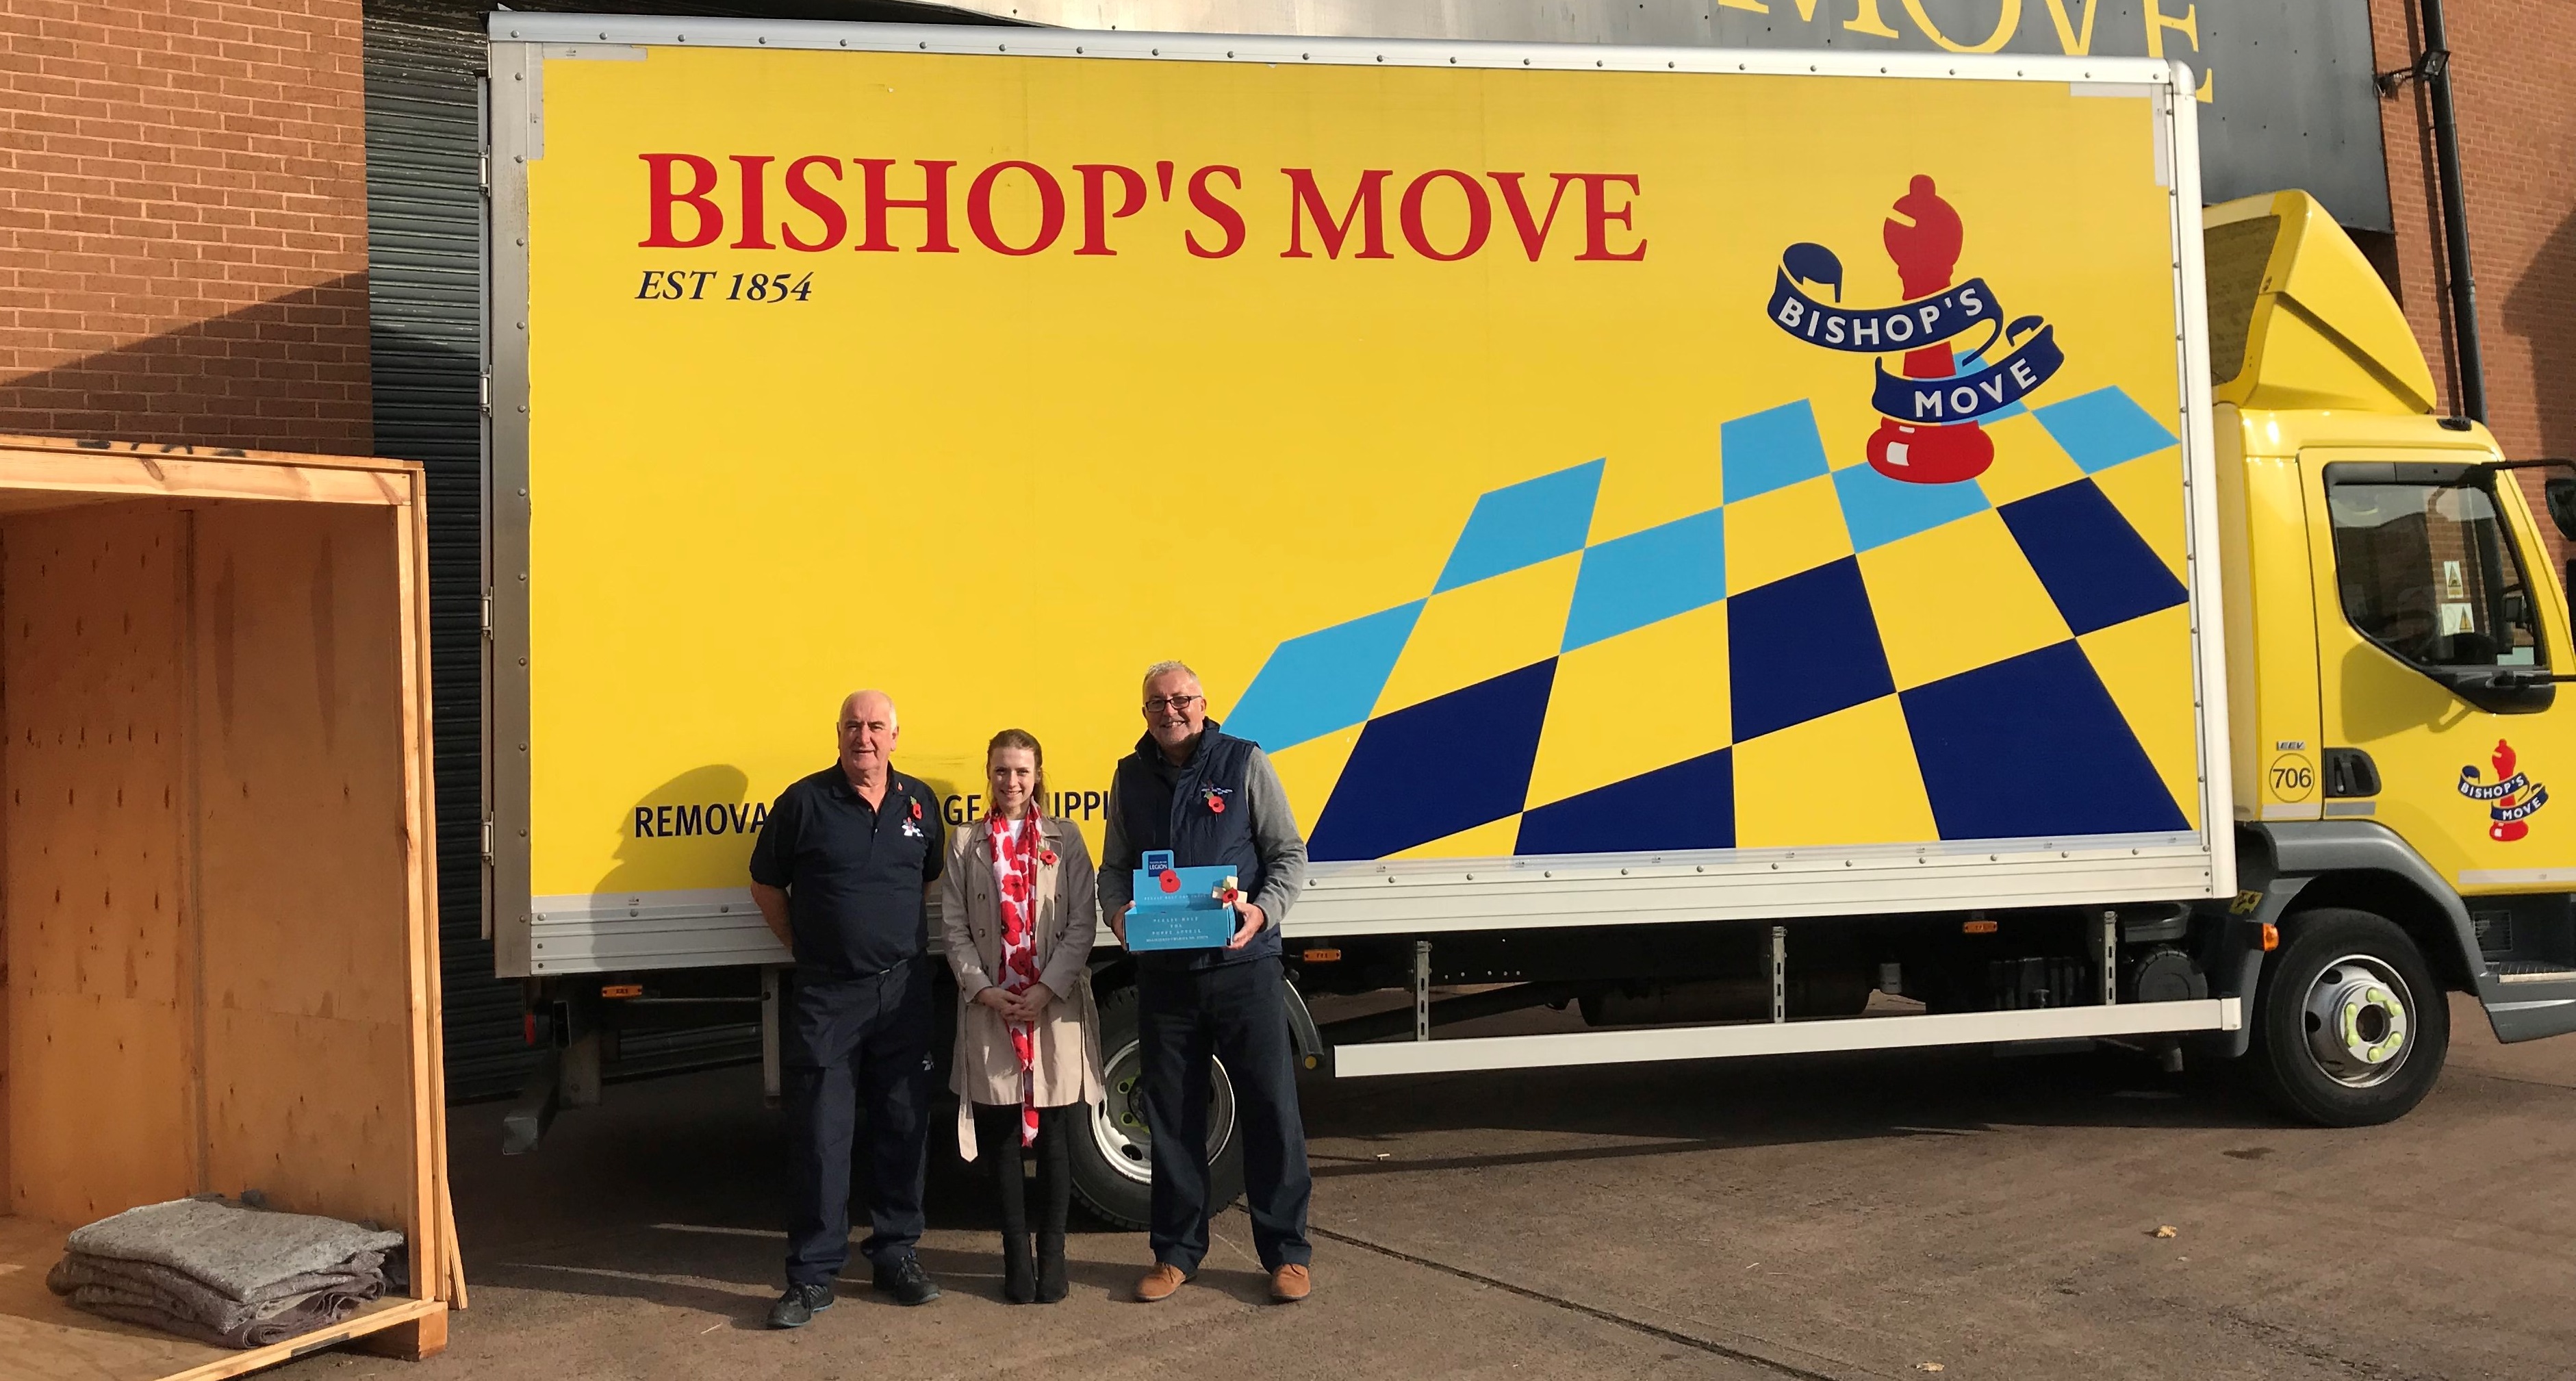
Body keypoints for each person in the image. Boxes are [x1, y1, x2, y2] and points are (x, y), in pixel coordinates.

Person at [1100, 661, 1315, 1304]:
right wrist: (1117, 915)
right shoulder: (1129, 776)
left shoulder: (1244, 762)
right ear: (1144, 713)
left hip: (1243, 969)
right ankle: (1175, 1253)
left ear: (1202, 703)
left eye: (1182, 699)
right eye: (1157, 703)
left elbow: (1288, 853)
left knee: (1270, 1109)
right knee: (1172, 1117)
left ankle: (1286, 1254)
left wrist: (1261, 911)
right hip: (1165, 977)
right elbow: (1114, 868)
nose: (1171, 711)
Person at [749, 689, 947, 1329]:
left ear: (895, 735)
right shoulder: (802, 802)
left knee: (903, 1126)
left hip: (903, 989)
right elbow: (763, 882)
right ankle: (811, 1277)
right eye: (853, 726)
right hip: (827, 995)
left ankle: (896, 1255)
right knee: (821, 1135)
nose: (864, 737)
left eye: (875, 727)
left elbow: (925, 877)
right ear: (837, 734)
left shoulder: (918, 801)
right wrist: (802, 944)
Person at [940, 729, 1106, 1304]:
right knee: (1002, 1136)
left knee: (1057, 1136)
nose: (1011, 782)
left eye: (1022, 772)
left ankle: (1053, 1257)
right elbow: (954, 927)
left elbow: (1082, 921)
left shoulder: (1068, 838)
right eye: (1001, 771)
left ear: (1038, 776)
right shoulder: (966, 841)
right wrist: (983, 989)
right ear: (988, 774)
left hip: (1051, 1008)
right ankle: (1016, 1257)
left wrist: (1046, 987)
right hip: (992, 1008)